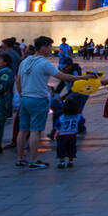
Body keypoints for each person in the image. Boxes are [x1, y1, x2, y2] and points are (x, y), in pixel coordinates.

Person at [16, 36, 82, 170]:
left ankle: (20, 159)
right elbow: (63, 76)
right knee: (35, 131)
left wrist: (21, 94)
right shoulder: (44, 63)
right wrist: (82, 78)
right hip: (38, 99)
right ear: (43, 47)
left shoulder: (25, 61)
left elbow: (18, 80)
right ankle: (34, 161)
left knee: (23, 130)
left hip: (25, 99)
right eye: (50, 46)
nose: (51, 49)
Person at [54, 93, 84, 169]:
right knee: (71, 148)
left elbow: (57, 124)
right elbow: (82, 121)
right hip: (72, 134)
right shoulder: (78, 116)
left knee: (61, 148)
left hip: (62, 135)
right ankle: (70, 161)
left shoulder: (62, 117)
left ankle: (62, 162)